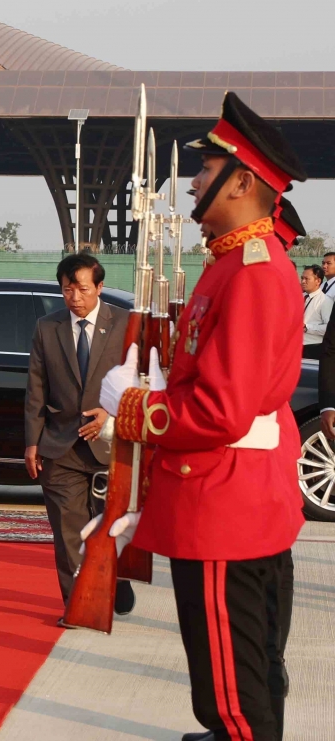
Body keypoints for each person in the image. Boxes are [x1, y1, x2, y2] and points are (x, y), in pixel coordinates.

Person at [95, 92, 305, 741]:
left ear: (243, 181)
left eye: (207, 169)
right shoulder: (233, 263)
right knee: (246, 677)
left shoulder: (250, 271)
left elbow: (219, 408)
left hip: (222, 504)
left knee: (232, 698)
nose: (192, 181)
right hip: (232, 497)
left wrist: (129, 406)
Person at [24, 253, 134, 616]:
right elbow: (36, 387)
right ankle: (79, 604)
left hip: (110, 443)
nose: (74, 297)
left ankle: (115, 579)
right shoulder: (47, 327)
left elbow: (141, 378)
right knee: (68, 531)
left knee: (109, 525)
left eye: (82, 289)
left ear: (99, 287)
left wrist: (113, 411)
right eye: (67, 289)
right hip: (60, 445)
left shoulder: (124, 324)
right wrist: (32, 442)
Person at [300, 265, 330, 359]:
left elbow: (329, 328)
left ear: (318, 281)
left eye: (307, 279)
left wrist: (306, 327)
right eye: (302, 278)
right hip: (295, 345)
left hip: (312, 347)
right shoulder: (299, 296)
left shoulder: (325, 301)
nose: (303, 281)